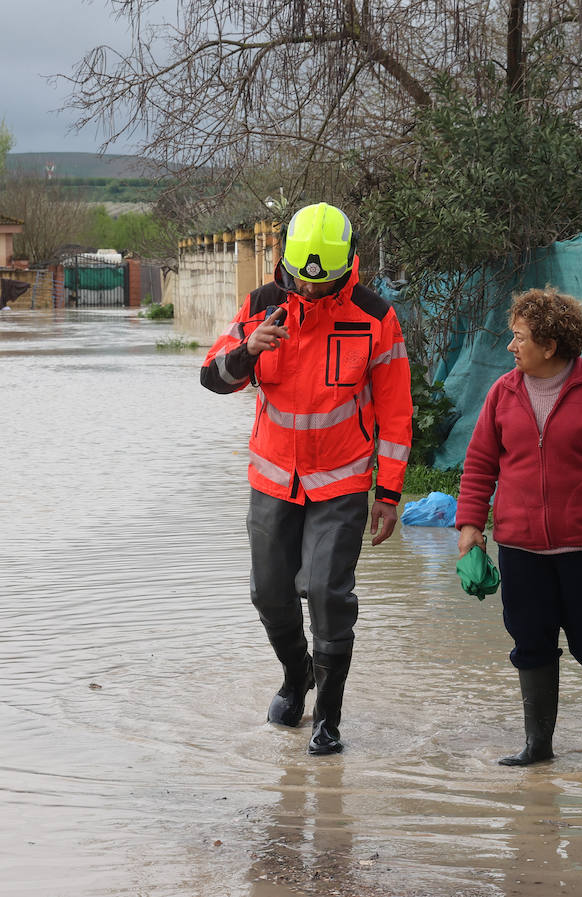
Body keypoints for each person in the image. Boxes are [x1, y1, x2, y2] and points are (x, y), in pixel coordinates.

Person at [200, 202, 413, 755]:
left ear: (347, 268)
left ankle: (328, 718)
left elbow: (395, 413)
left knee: (325, 592)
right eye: (301, 281)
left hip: (340, 482)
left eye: (324, 284)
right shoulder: (261, 308)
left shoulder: (375, 319)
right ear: (285, 265)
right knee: (269, 594)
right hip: (273, 479)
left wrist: (387, 493)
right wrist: (248, 352)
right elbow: (211, 378)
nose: (311, 293)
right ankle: (297, 679)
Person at [455, 286, 582, 766]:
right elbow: (480, 463)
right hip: (521, 548)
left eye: (520, 337)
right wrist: (470, 525)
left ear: (549, 346)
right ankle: (538, 745)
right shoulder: (502, 394)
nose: (512, 346)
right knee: (530, 640)